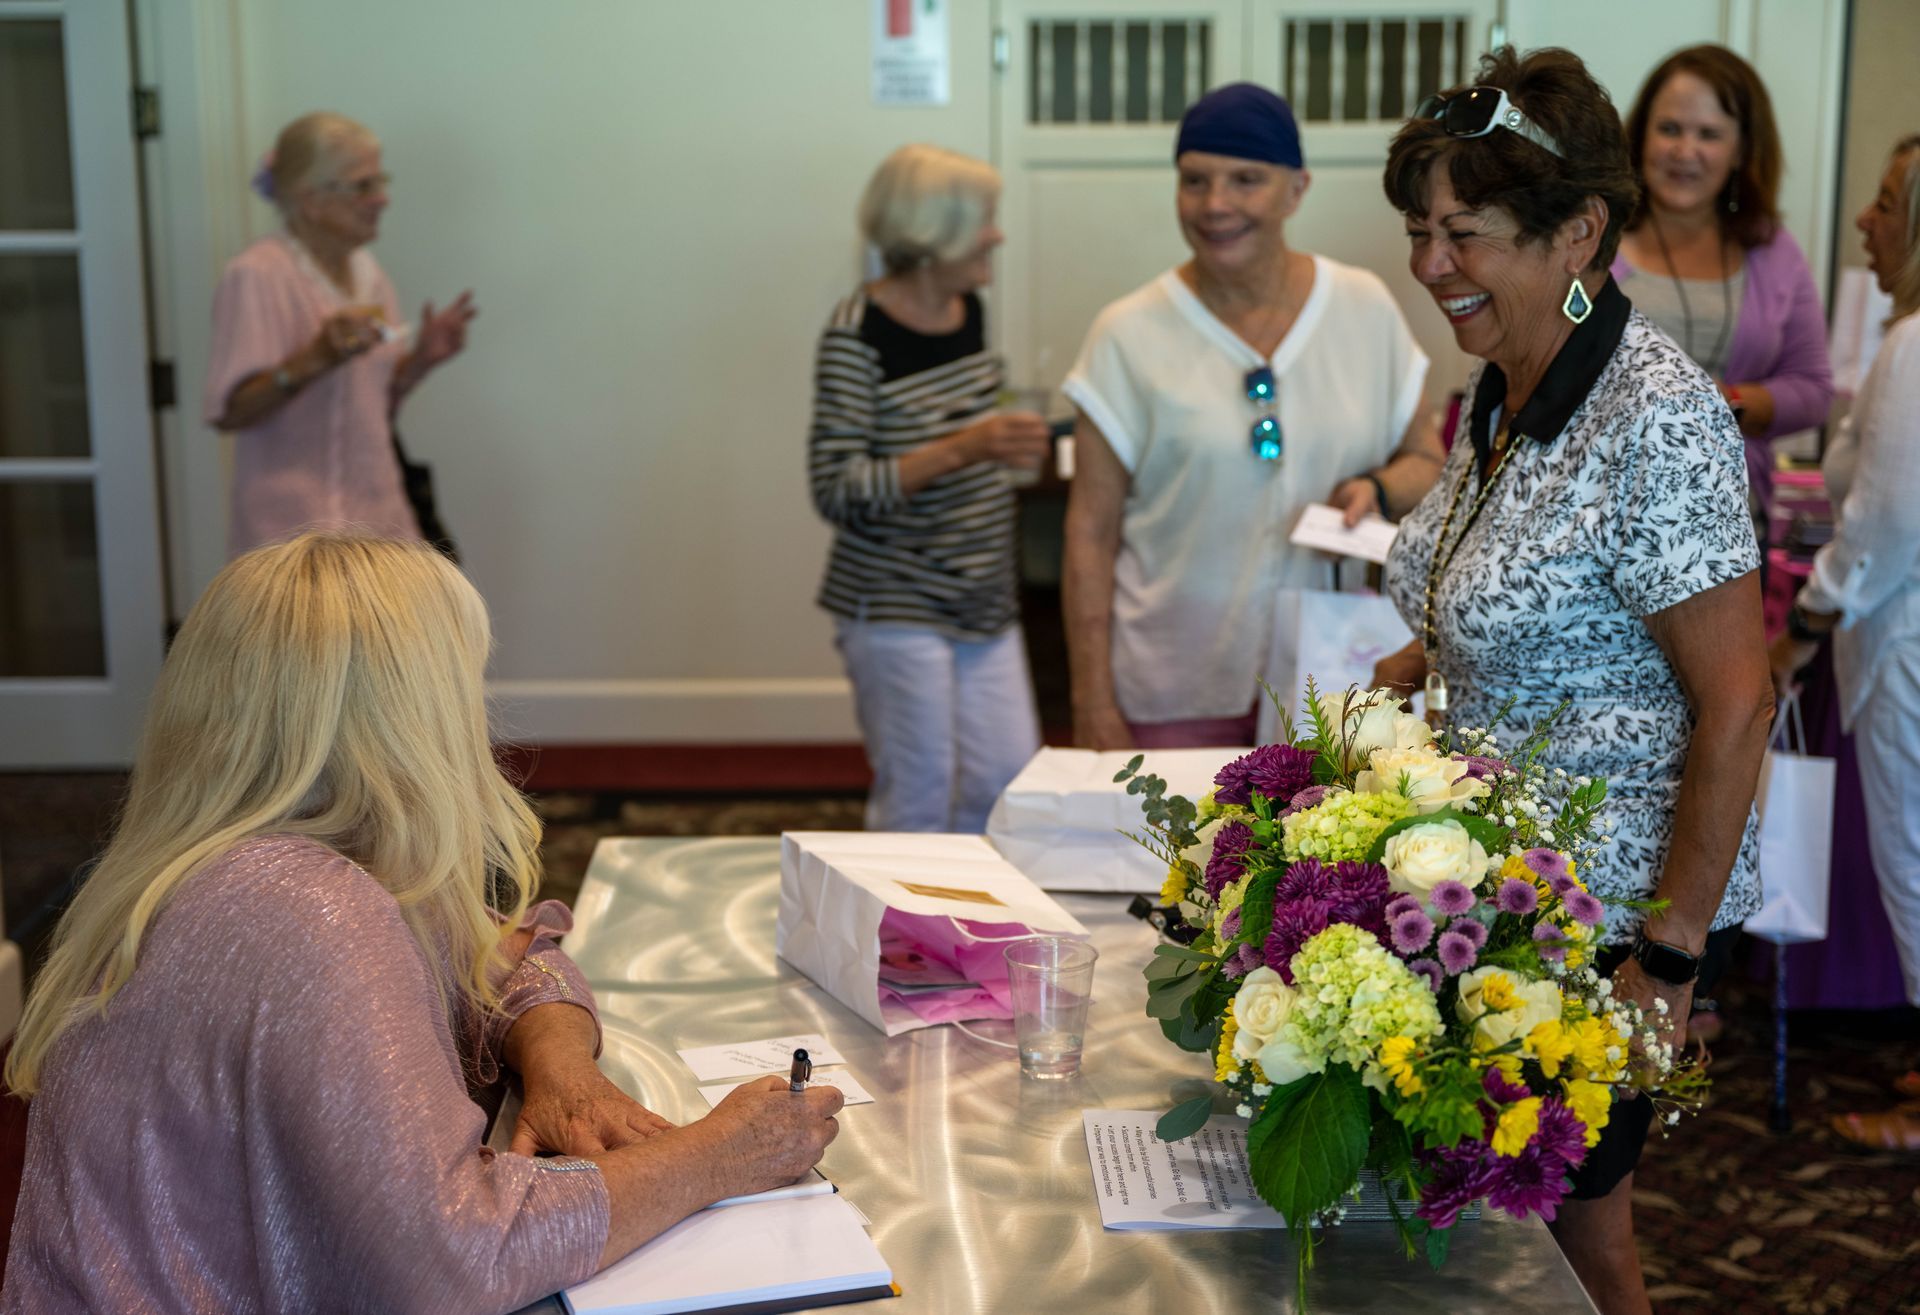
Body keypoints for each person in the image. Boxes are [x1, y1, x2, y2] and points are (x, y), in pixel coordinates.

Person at [0, 534, 843, 1315]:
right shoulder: (307, 910)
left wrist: (557, 1065)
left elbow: (509, 950)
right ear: (404, 715)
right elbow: (457, 1258)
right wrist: (717, 1155)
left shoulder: (221, 864)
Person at [1374, 48, 1771, 1315]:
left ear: (1579, 232)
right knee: (1552, 1233)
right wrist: (1420, 659)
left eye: (1464, 235)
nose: (1431, 265)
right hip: (1499, 896)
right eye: (1419, 231)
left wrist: (1668, 956)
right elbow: (1512, 588)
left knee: (1551, 1233)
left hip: (1601, 926)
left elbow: (1737, 703)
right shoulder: (1509, 382)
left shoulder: (1655, 416)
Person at [1061, 82, 1440, 752]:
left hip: (1331, 684)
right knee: (1167, 858)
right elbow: (1089, 533)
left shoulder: (1362, 309)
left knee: (1316, 857)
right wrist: (1091, 703)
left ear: (1297, 188)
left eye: (1246, 180)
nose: (1216, 205)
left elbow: (1427, 463)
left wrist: (1378, 490)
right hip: (1172, 680)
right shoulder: (1127, 333)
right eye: (1195, 180)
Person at [808, 144, 1048, 833]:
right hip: (893, 605)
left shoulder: (966, 308)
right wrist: (965, 446)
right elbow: (835, 487)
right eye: (986, 219)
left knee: (1005, 791)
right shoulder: (857, 334)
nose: (998, 234)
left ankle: (979, 935)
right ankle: (903, 942)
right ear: (932, 229)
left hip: (984, 603)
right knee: (918, 802)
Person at [1770, 135, 1920, 1150]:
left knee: (1915, 861)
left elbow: (1882, 524)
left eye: (1883, 201)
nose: (1864, 220)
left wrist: (1806, 624)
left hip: (1903, 643)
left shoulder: (1915, 346)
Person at [204, 112, 478, 557]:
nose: (383, 199)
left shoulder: (370, 275)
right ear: (310, 199)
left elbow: (373, 410)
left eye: (381, 182)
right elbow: (230, 412)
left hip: (380, 524)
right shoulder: (258, 276)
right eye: (363, 186)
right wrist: (314, 359)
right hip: (292, 539)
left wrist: (422, 360)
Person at [1614, 44, 1833, 524]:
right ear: (1640, 136)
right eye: (1669, 128)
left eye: (1708, 134)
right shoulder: (1593, 237)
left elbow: (1814, 390)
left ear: (1741, 151)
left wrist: (1723, 401)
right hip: (1599, 515)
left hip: (1728, 522)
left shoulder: (1774, 251)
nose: (1684, 151)